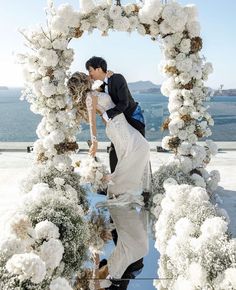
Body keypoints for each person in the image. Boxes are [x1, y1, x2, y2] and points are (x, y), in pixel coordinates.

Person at [67, 72, 150, 289]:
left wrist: (93, 145)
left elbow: (94, 126)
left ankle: (107, 274)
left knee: (118, 191)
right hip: (127, 138)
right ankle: (108, 272)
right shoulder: (96, 93)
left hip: (125, 139)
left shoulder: (90, 96)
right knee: (120, 190)